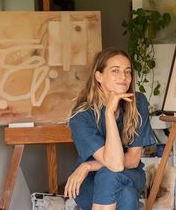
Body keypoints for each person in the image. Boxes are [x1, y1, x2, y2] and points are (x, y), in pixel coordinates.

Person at [64, 48, 156, 210]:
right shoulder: (81, 116)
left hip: (129, 172)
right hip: (89, 181)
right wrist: (108, 114)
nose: (123, 77)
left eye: (128, 72)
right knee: (126, 194)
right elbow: (114, 164)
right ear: (99, 76)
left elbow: (131, 161)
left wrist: (87, 166)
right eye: (115, 71)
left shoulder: (137, 101)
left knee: (109, 176)